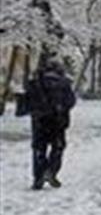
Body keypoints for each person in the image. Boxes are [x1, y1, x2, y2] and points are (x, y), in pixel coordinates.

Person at [17, 54, 77, 190]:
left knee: (39, 148)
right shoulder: (64, 83)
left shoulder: (35, 82)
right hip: (58, 120)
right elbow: (71, 101)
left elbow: (28, 101)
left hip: (39, 120)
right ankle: (51, 170)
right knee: (58, 147)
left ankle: (38, 177)